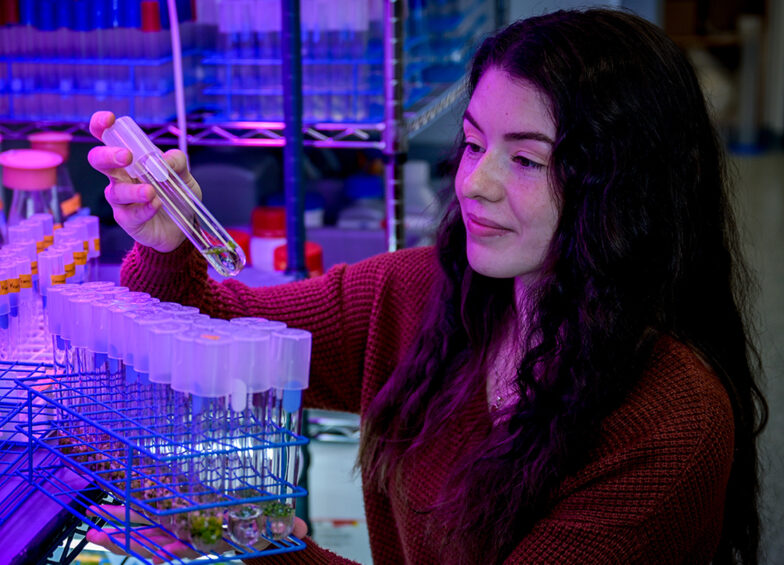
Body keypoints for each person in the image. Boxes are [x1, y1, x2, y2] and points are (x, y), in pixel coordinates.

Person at [86, 8, 767, 564]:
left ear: (625, 191)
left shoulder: (669, 421)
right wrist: (166, 243)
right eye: (473, 143)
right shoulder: (420, 292)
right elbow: (215, 330)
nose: (475, 182)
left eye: (525, 158)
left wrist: (248, 541)